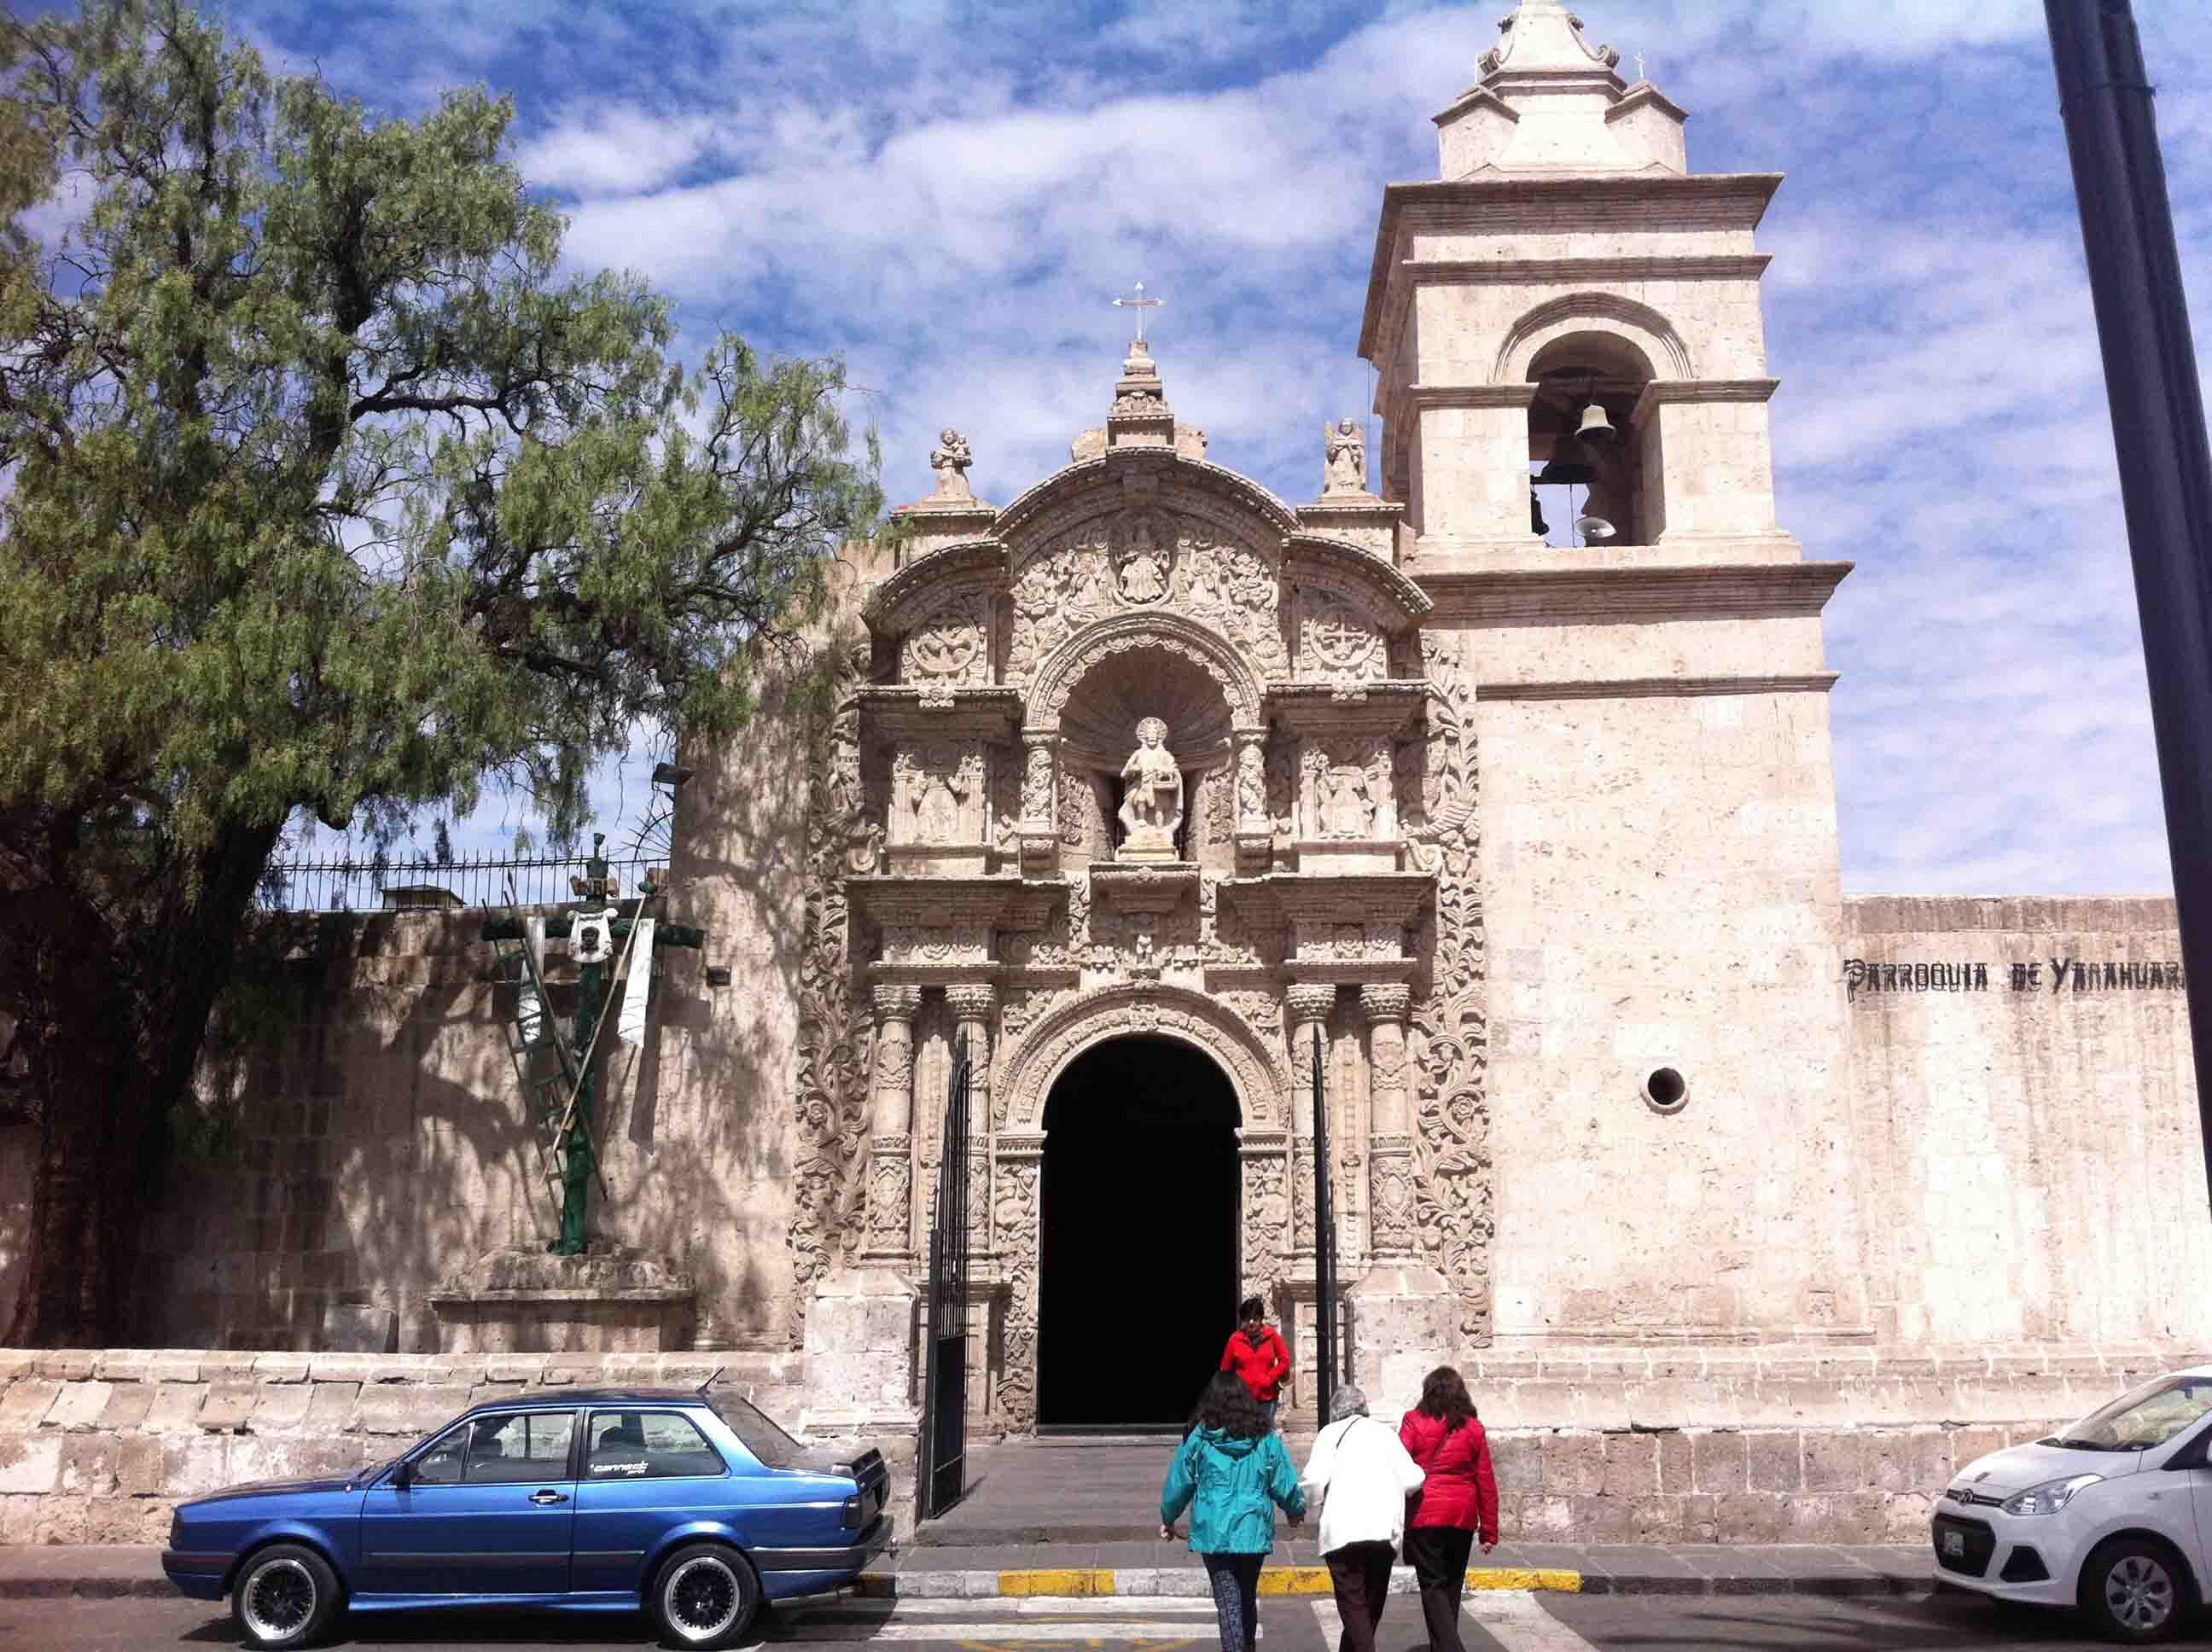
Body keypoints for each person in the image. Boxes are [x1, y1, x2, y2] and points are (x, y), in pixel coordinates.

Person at [1161, 1372, 1307, 1652]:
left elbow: (1180, 1481)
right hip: (1252, 1527)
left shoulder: (1200, 1437)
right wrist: (1295, 1509)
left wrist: (1169, 1517)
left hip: (1213, 1530)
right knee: (1246, 1596)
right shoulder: (1265, 1437)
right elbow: (1283, 1480)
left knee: (1228, 1601)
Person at [1299, 1384, 1425, 1652]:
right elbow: (1414, 1478)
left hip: (1343, 1533)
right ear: (1364, 1407)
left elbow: (1314, 1480)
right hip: (1382, 1531)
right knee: (1368, 1609)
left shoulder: (1330, 1433)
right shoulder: (1385, 1433)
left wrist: (1302, 1507)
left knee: (1354, 1608)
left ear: (1335, 1411)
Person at [1399, 1366, 1499, 1652]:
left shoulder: (1414, 1422)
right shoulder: (1474, 1429)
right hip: (1462, 1517)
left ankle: (1450, 1647)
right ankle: (1442, 1646)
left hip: (1425, 1515)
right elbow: (1486, 1481)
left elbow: (1399, 1466)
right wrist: (1489, 1530)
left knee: (1433, 1586)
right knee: (1451, 1586)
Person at [1218, 1295, 1291, 1424]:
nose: (1251, 1323)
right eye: (1247, 1319)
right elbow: (1225, 1370)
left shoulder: (1272, 1336)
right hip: (1242, 1400)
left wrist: (1270, 1378)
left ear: (1261, 1318)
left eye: (1255, 1319)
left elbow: (1285, 1361)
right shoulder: (1235, 1339)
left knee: (1264, 1435)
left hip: (1267, 1398)